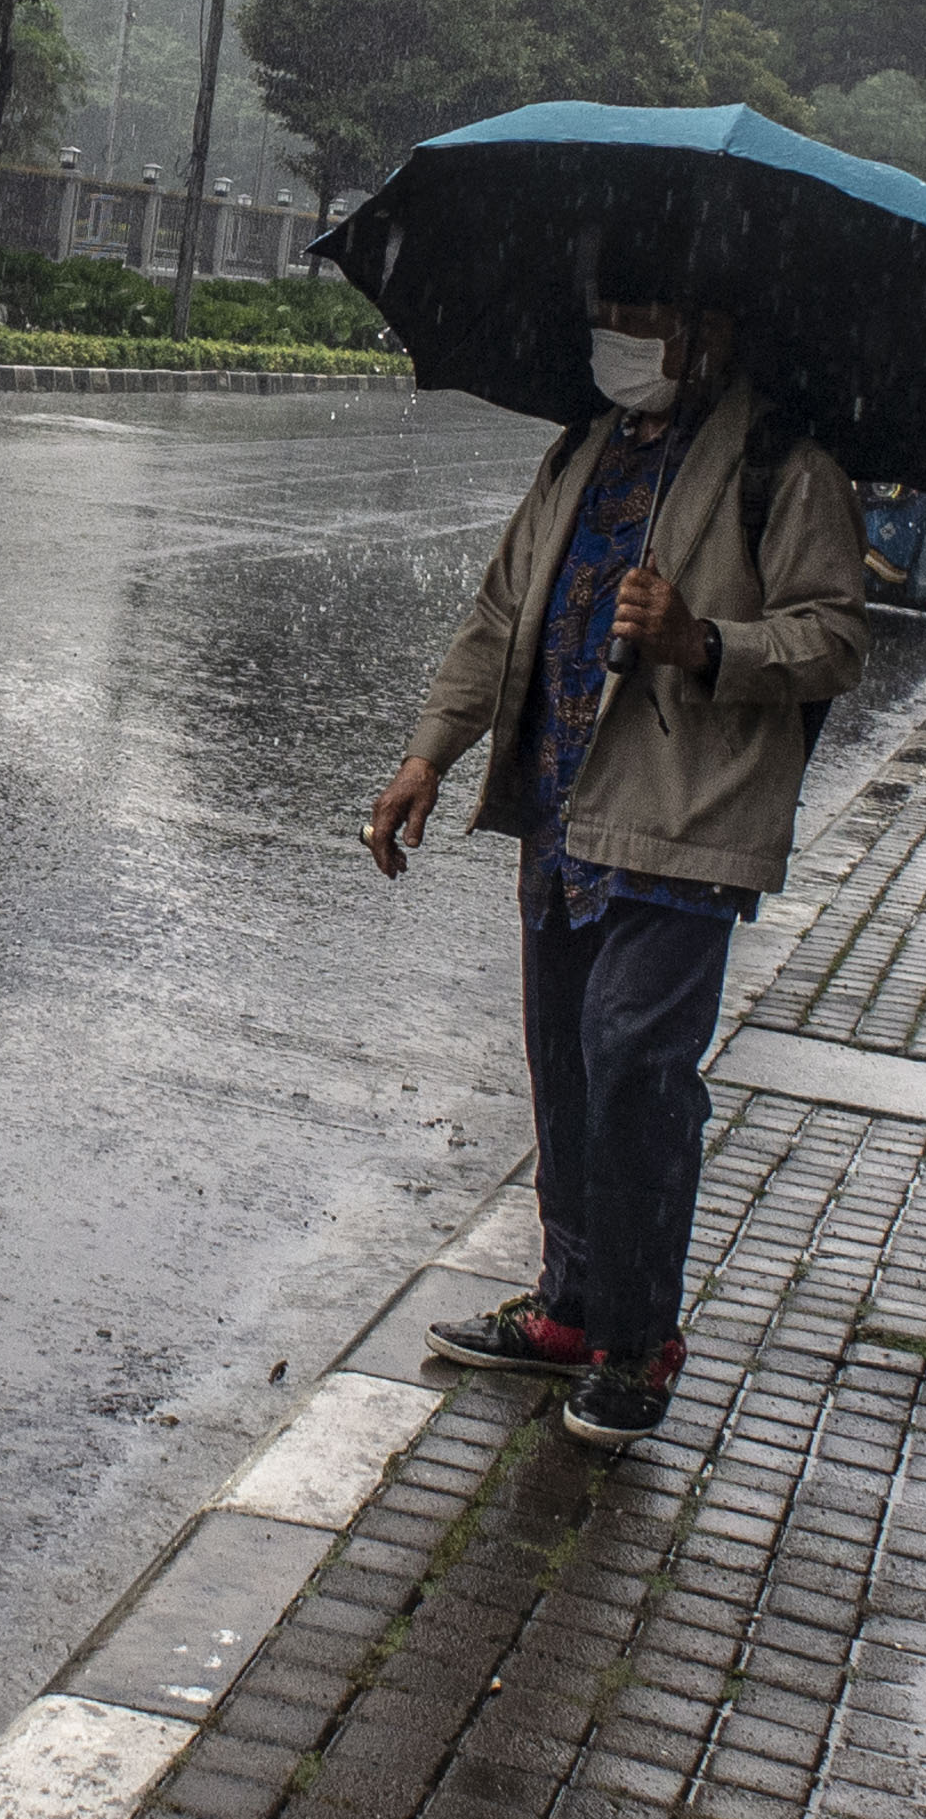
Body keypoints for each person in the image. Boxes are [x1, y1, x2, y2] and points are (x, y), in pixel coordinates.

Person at [363, 302, 866, 1449]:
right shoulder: (582, 446)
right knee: (565, 1060)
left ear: (705, 330)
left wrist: (705, 642)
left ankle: (637, 1338)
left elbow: (835, 634)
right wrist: (426, 751)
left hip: (685, 815)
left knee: (635, 1059)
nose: (613, 336)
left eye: (639, 316)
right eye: (603, 312)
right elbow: (501, 614)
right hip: (562, 802)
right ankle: (569, 1306)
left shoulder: (781, 464)